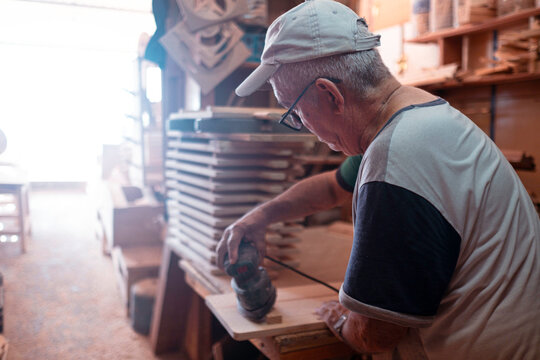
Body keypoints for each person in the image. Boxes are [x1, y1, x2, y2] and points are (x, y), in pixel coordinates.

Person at [216, 0, 540, 358]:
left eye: (295, 114)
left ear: (330, 95)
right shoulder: (420, 114)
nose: (302, 127)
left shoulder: (394, 162)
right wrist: (260, 215)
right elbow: (330, 188)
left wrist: (341, 320)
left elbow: (376, 334)